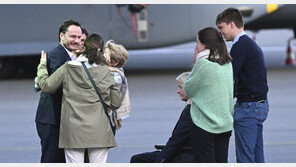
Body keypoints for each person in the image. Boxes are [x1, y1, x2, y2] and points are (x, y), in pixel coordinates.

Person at [36, 34, 122, 163]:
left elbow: (47, 86)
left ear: (83, 48)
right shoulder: (105, 71)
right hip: (99, 130)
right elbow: (116, 102)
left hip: (73, 130)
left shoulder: (68, 67)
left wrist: (42, 66)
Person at [216, 8, 269, 163]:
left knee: (245, 159)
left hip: (249, 108)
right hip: (258, 105)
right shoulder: (248, 44)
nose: (221, 32)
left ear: (232, 24)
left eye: (221, 27)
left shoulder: (240, 46)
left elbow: (228, 76)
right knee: (257, 157)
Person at [183, 27, 234, 163]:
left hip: (205, 126)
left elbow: (188, 88)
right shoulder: (227, 63)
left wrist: (195, 62)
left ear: (204, 45)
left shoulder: (203, 64)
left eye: (197, 42)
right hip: (225, 124)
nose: (196, 46)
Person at [35, 20, 82, 163]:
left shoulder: (70, 54)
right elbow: (57, 86)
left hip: (58, 118)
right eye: (72, 36)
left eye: (79, 37)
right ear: (61, 35)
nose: (77, 40)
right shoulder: (57, 55)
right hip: (52, 119)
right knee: (52, 158)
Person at [130, 72, 194, 163]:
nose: (178, 91)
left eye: (180, 87)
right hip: (187, 152)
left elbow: (176, 141)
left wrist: (161, 161)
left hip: (186, 155)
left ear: (190, 87)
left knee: (138, 160)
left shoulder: (191, 111)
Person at [103, 40, 130, 130]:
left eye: (105, 54)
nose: (102, 56)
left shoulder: (115, 77)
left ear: (115, 62)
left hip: (107, 119)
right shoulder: (114, 71)